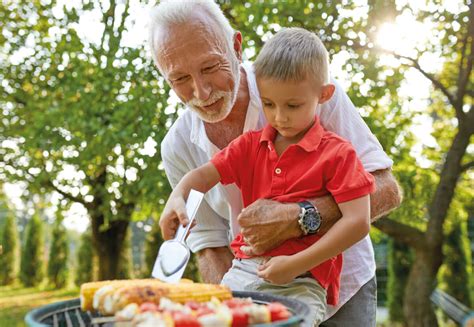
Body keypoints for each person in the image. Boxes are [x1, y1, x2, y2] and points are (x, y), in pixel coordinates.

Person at [149, 1, 401, 325]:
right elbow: (210, 246)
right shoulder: (178, 146)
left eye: (211, 67)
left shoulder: (307, 89)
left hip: (339, 292)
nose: (202, 90)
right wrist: (233, 311)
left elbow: (385, 189)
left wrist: (301, 218)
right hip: (249, 285)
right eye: (180, 78)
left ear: (235, 47)